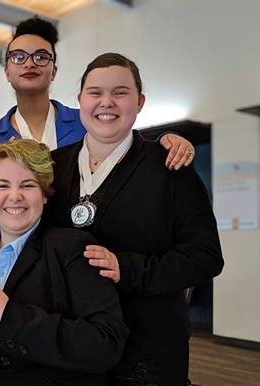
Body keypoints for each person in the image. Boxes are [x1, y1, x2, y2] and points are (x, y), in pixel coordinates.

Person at [47, 53, 224, 385]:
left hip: (148, 346)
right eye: (95, 92)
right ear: (80, 100)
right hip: (73, 344)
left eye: (120, 92)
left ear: (140, 101)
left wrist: (127, 269)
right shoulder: (53, 167)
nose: (106, 102)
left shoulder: (169, 167)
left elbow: (206, 256)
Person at [0, 139, 129, 386]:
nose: (15, 196)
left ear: (44, 195)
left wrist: (10, 316)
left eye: (27, 185)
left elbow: (106, 343)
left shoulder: (73, 249)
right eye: (2, 185)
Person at [0, 16, 195, 170]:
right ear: (6, 72)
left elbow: (129, 152)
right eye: (18, 57)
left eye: (41, 56)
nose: (30, 64)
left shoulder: (87, 121)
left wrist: (165, 142)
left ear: (54, 71)